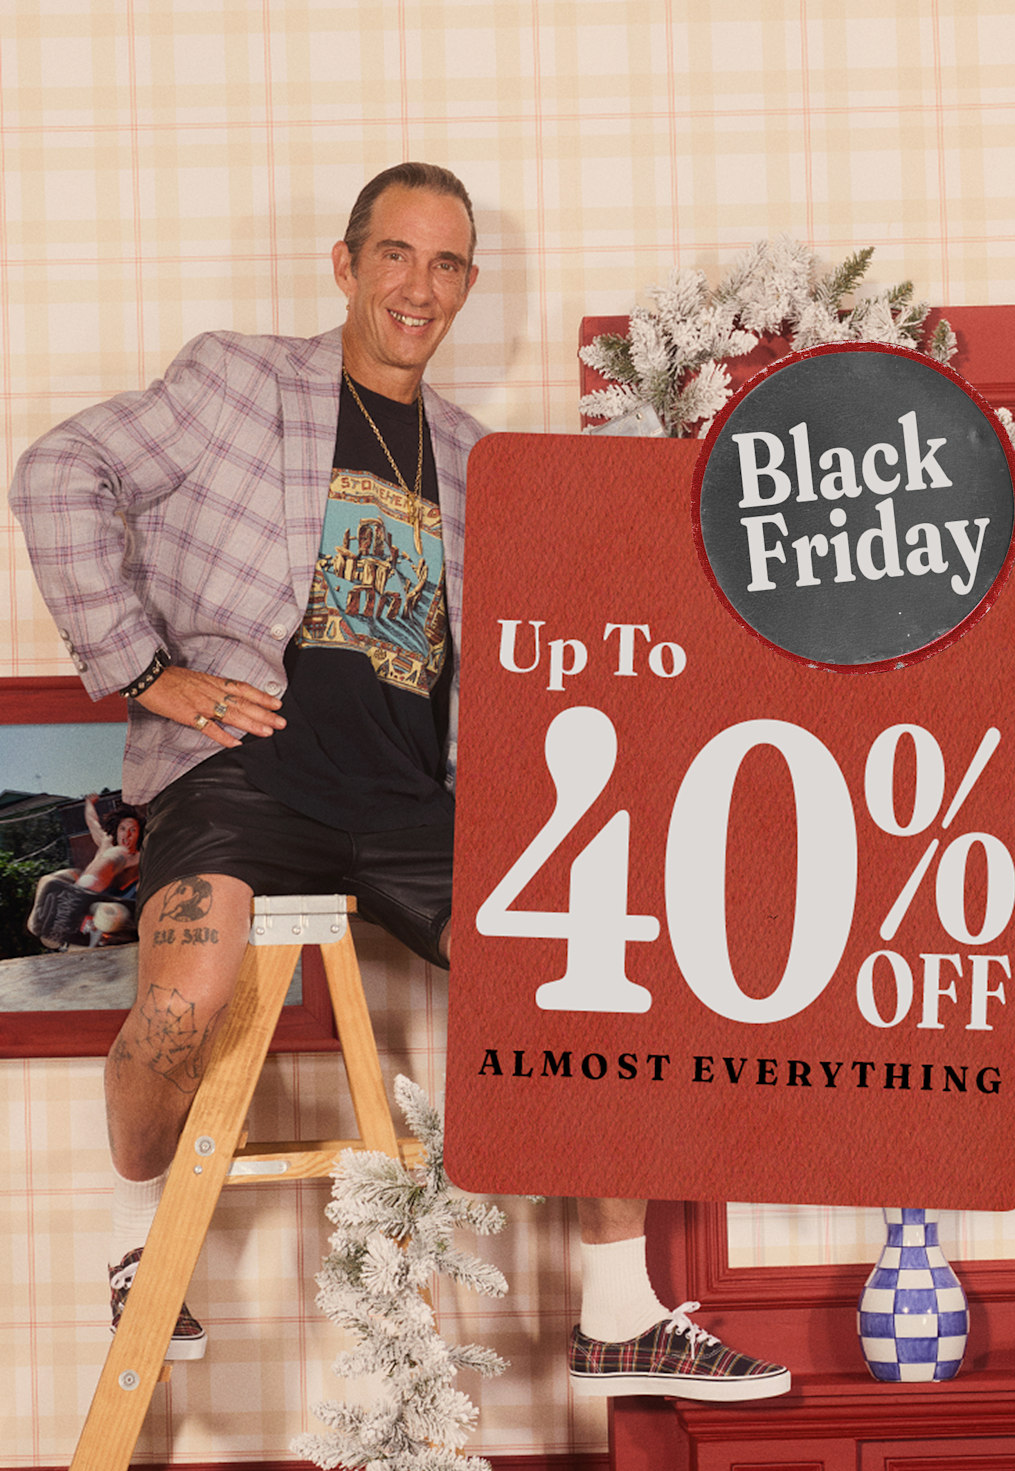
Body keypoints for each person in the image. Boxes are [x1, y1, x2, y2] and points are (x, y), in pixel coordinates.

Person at [10, 162, 789, 1397]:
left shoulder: (484, 463)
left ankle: (617, 1315)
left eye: (446, 264)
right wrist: (143, 668)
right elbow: (58, 471)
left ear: (467, 285)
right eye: (396, 255)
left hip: (416, 804)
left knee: (605, 975)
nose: (417, 286)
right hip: (243, 778)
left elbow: (538, 653)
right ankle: (144, 1252)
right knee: (175, 1010)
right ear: (347, 262)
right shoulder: (239, 381)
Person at [27, 796, 143, 949]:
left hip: (116, 900)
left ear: (139, 834)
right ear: (116, 830)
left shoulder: (142, 855)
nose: (127, 835)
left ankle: (88, 898)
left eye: (132, 830)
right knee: (49, 880)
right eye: (123, 829)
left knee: (121, 855)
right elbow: (92, 821)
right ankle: (42, 921)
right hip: (83, 895)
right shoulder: (105, 840)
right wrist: (89, 803)